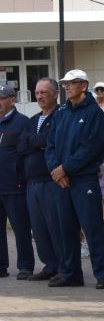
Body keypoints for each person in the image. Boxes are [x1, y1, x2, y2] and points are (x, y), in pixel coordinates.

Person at [44, 69, 104, 288]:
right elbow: (50, 144)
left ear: (84, 85)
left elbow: (90, 148)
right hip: (63, 181)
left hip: (84, 180)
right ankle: (71, 273)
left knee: (92, 227)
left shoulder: (94, 113)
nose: (67, 87)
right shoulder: (62, 112)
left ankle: (103, 275)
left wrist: (65, 168)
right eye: (65, 84)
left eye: (71, 83)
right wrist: (56, 169)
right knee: (66, 229)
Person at [17, 78, 62, 281]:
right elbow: (21, 146)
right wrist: (36, 143)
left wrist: (34, 142)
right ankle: (49, 265)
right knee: (39, 227)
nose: (39, 96)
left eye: (44, 92)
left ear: (55, 93)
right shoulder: (33, 120)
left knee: (55, 225)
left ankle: (63, 267)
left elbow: (50, 141)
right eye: (37, 93)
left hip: (51, 181)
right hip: (32, 182)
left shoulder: (61, 116)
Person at [0, 83, 33, 279]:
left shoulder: (22, 122)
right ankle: (1, 266)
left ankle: (25, 265)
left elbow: (26, 153)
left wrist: (21, 177)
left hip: (15, 185)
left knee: (20, 227)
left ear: (12, 100)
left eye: (2, 98)